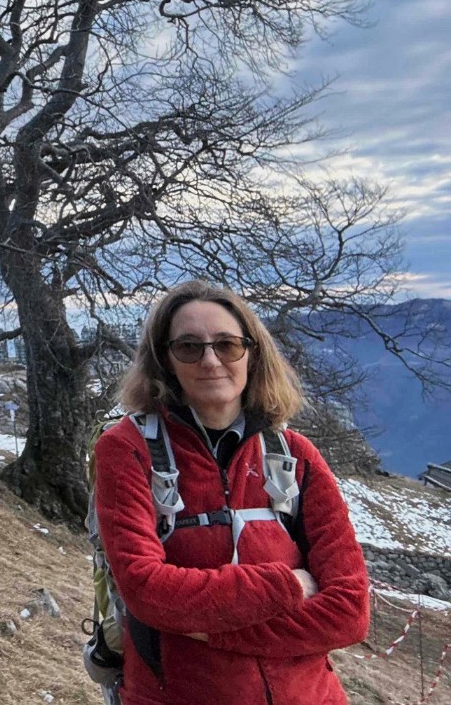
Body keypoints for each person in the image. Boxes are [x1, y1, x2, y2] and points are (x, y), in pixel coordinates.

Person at [92, 279, 369, 705]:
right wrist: (286, 587)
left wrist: (207, 626)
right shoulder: (127, 450)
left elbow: (349, 612)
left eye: (227, 344)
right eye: (189, 347)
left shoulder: (295, 454)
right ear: (164, 361)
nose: (210, 360)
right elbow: (146, 590)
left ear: (252, 353)